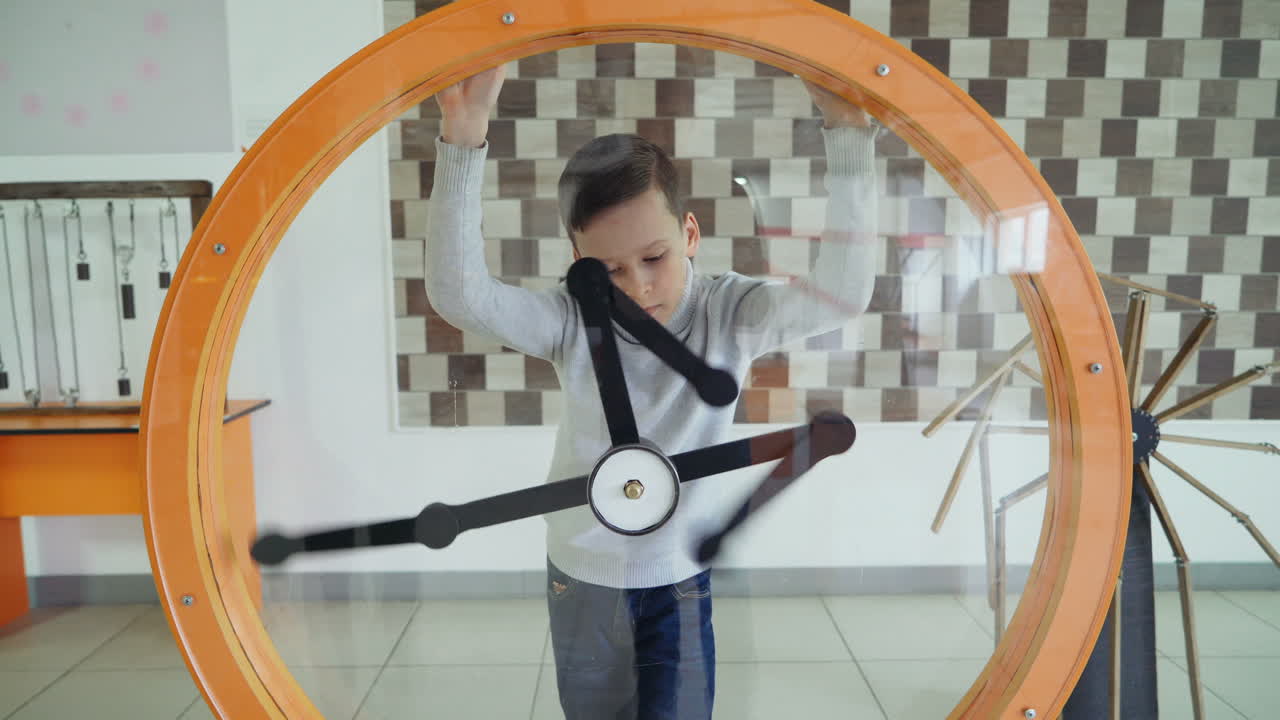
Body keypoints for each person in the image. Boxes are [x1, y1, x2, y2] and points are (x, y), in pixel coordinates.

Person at [425, 61, 878, 720]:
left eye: (655, 257)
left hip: (679, 582)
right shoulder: (570, 319)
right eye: (607, 268)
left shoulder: (731, 312)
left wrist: (847, 135)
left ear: (690, 234)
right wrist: (464, 138)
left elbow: (841, 293)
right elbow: (459, 295)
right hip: (581, 579)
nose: (637, 285)